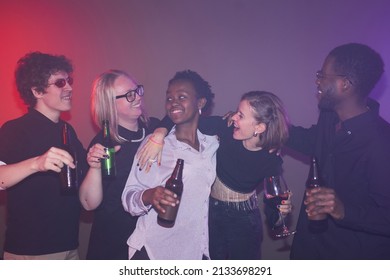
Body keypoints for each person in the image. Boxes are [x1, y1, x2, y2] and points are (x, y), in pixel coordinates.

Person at [139, 91, 291, 259]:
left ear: (259, 127)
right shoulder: (225, 128)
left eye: (241, 115)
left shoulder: (270, 160)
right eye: (236, 112)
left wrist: (280, 214)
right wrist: (159, 133)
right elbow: (184, 117)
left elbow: (272, 208)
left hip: (244, 221)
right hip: (210, 213)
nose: (234, 117)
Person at [287, 43, 390, 259]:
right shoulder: (330, 116)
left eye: (322, 75)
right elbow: (311, 141)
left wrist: (344, 210)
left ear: (345, 84)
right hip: (310, 248)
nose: (318, 81)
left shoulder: (380, 143)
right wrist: (270, 126)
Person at [121, 70, 219, 260]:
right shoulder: (157, 144)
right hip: (154, 250)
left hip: (195, 251)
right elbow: (128, 197)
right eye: (169, 98)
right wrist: (150, 195)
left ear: (200, 103)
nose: (173, 102)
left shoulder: (212, 143)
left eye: (181, 97)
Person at [0, 52, 87, 260]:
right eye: (60, 83)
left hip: (68, 245)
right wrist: (36, 164)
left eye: (69, 81)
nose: (69, 88)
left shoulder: (68, 130)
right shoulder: (15, 129)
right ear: (37, 91)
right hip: (31, 252)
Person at [78, 69, 160, 259]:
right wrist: (94, 168)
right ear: (110, 105)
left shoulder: (154, 129)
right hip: (114, 242)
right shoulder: (103, 144)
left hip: (151, 240)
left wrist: (161, 133)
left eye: (137, 90)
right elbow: (88, 204)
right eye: (129, 95)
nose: (138, 97)